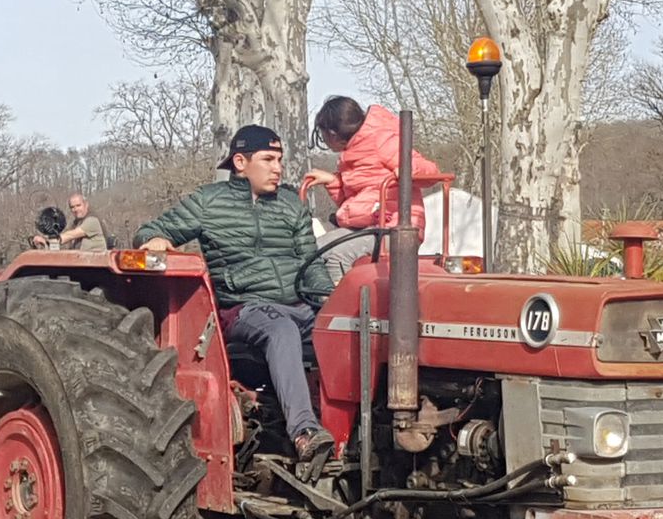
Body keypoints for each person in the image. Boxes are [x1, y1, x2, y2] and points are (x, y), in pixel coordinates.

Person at [134, 125, 336, 480]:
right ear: (241, 162)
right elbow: (150, 231)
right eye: (269, 159)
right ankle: (305, 434)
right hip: (243, 309)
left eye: (280, 160)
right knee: (280, 329)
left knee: (348, 331)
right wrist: (155, 240)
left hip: (298, 304)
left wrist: (334, 306)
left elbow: (311, 265)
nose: (278, 168)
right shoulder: (209, 202)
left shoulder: (291, 204)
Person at [303, 97, 443, 283]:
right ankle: (319, 305)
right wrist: (333, 182)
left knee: (336, 256)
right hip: (369, 227)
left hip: (396, 229)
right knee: (315, 250)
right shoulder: (352, 153)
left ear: (332, 133)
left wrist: (408, 170)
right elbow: (357, 204)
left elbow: (431, 172)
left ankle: (336, 307)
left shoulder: (381, 141)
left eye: (323, 134)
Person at [32, 193, 108, 251]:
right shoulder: (76, 223)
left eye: (78, 205)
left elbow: (68, 236)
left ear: (86, 205)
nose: (75, 209)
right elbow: (64, 235)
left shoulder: (92, 221)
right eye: (72, 207)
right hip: (81, 262)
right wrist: (45, 240)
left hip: (94, 265)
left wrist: (46, 240)